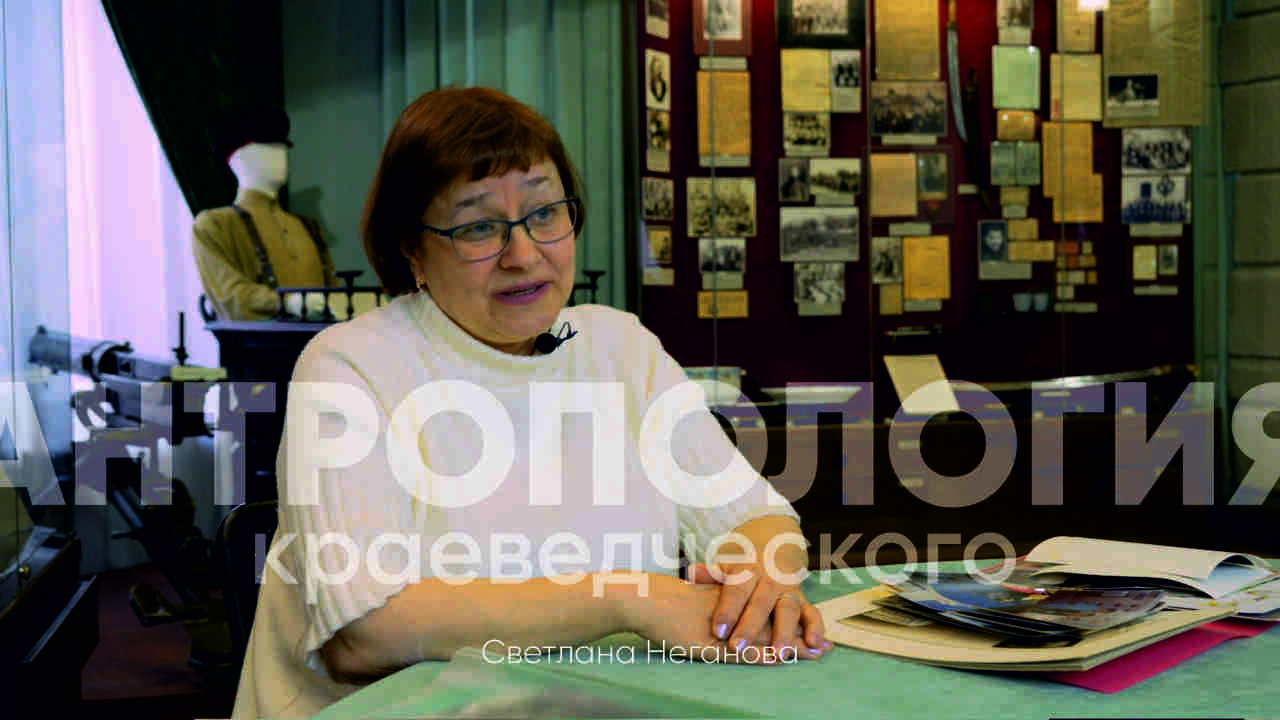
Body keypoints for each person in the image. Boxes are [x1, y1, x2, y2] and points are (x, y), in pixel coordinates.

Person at [232, 87, 828, 719]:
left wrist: (760, 589)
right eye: (478, 227)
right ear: (413, 250)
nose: (523, 255)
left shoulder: (620, 347)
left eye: (545, 213)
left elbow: (755, 518)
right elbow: (365, 634)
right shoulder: (350, 366)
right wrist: (627, 599)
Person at [193, 106, 339, 321]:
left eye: (282, 148)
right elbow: (229, 295)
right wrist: (285, 302)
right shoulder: (214, 225)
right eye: (267, 148)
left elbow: (335, 295)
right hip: (260, 342)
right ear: (238, 158)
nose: (280, 155)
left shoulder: (308, 226)